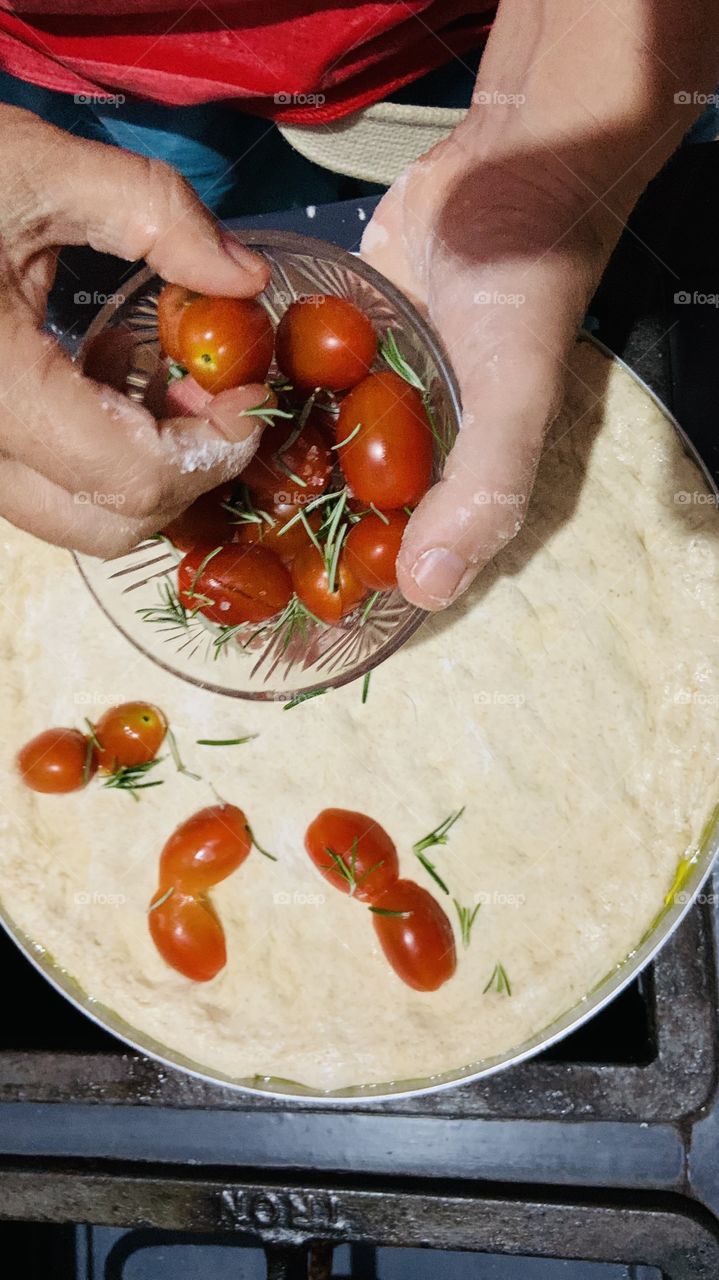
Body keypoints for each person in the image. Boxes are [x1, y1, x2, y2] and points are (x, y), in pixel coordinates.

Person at [0, 0, 716, 609]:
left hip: (457, 43)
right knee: (210, 228)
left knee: (214, 260)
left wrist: (541, 163)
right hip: (90, 72)